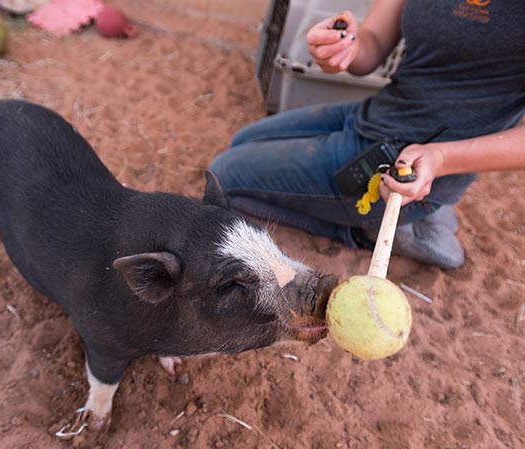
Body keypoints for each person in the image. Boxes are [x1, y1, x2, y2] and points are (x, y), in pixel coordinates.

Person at [209, 0, 525, 269]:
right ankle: (399, 217)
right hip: (377, 112)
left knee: (225, 177)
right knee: (241, 143)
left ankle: (371, 229)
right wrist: (344, 48)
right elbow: (372, 45)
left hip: (409, 166)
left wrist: (441, 158)